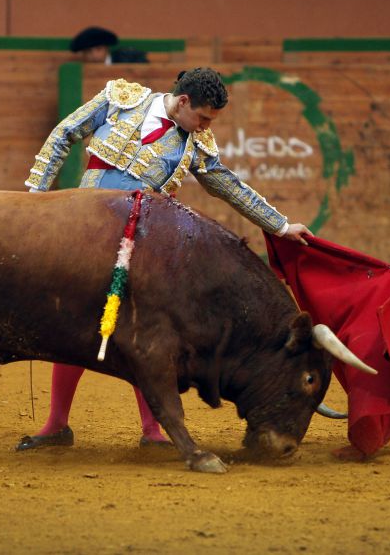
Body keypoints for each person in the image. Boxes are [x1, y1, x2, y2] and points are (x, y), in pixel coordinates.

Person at [18, 67, 313, 451]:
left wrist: (280, 225)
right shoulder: (120, 98)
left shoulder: (197, 144)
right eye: (203, 117)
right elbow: (63, 135)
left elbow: (228, 186)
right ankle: (57, 424)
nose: (206, 126)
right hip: (84, 233)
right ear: (183, 100)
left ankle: (153, 430)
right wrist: (34, 197)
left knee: (145, 331)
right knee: (76, 322)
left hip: (141, 245)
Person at [70, 26, 148, 64]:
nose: (94, 55)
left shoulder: (126, 59)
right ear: (83, 54)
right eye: (89, 51)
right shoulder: (81, 69)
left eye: (98, 49)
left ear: (106, 48)